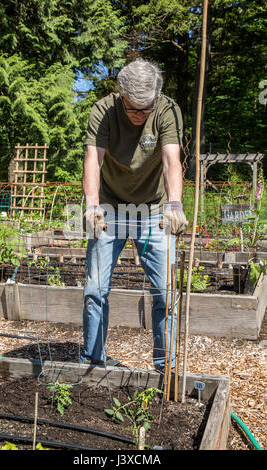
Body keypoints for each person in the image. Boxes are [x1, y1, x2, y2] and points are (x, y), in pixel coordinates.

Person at [80, 58, 188, 371]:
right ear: (121, 96)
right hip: (111, 208)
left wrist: (175, 203)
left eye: (147, 109)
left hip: (153, 209)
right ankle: (92, 361)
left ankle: (164, 366)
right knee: (94, 290)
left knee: (166, 293)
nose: (140, 116)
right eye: (133, 109)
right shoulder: (103, 110)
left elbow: (171, 161)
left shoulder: (167, 110)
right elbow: (92, 160)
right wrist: (91, 204)